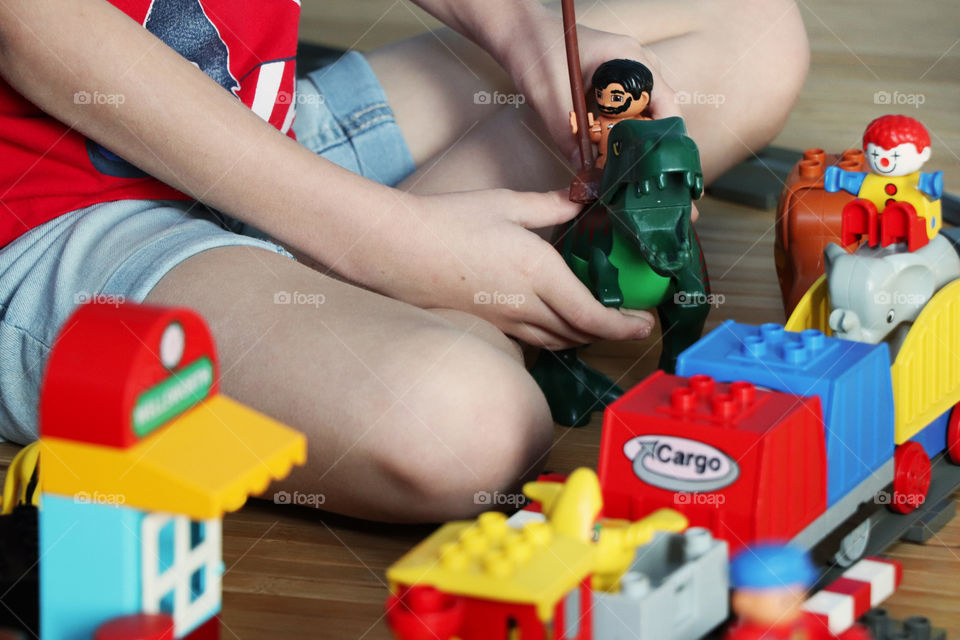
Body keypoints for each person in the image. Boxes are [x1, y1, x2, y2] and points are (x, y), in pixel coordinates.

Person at [0, 0, 809, 522]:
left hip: (266, 122)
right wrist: (386, 240)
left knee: (748, 29)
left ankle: (353, 308)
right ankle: (383, 306)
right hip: (57, 222)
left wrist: (529, 36)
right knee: (466, 427)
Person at [726, 544, 870, 640]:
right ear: (744, 602)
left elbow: (819, 630)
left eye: (800, 597)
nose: (794, 605)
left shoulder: (798, 622)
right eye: (785, 601)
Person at [570, 59, 653, 169]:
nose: (606, 104)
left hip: (637, 163)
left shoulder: (644, 123)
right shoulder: (602, 122)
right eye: (600, 95)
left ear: (643, 99)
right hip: (607, 162)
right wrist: (585, 129)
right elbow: (595, 135)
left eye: (616, 98)